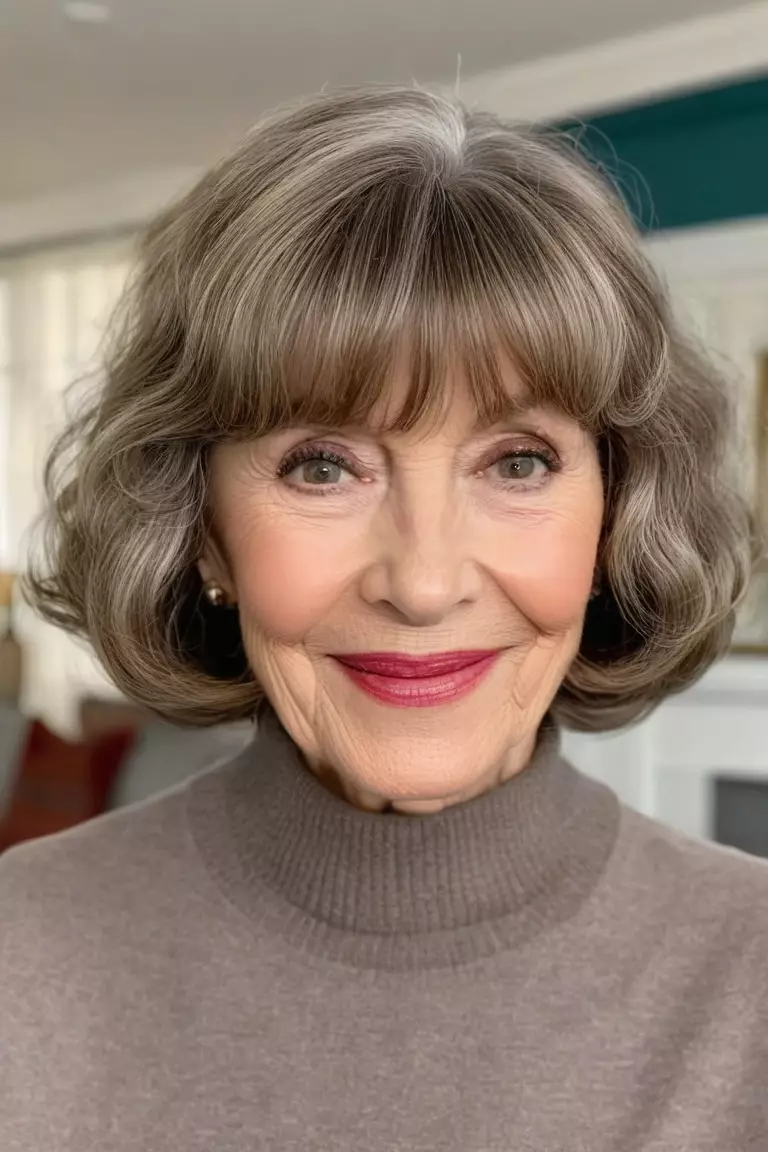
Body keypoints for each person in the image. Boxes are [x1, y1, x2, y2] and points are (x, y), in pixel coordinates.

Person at [2, 83, 767, 1151]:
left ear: (615, 514)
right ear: (204, 531)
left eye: (517, 462)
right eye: (323, 465)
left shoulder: (748, 980)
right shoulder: (22, 959)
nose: (423, 581)